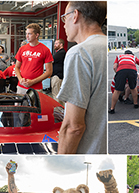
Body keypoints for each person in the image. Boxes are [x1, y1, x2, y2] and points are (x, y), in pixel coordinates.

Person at [57, 1, 108, 154]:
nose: (64, 25)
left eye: (64, 18)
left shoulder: (79, 53)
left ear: (75, 16)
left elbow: (74, 126)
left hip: (88, 153)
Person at [14, 23, 53, 91]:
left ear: (36, 35)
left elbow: (49, 72)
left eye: (29, 34)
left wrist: (33, 81)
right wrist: (20, 79)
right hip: (21, 86)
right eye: (26, 33)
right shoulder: (22, 49)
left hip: (36, 88)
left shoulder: (45, 50)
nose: (27, 36)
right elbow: (16, 67)